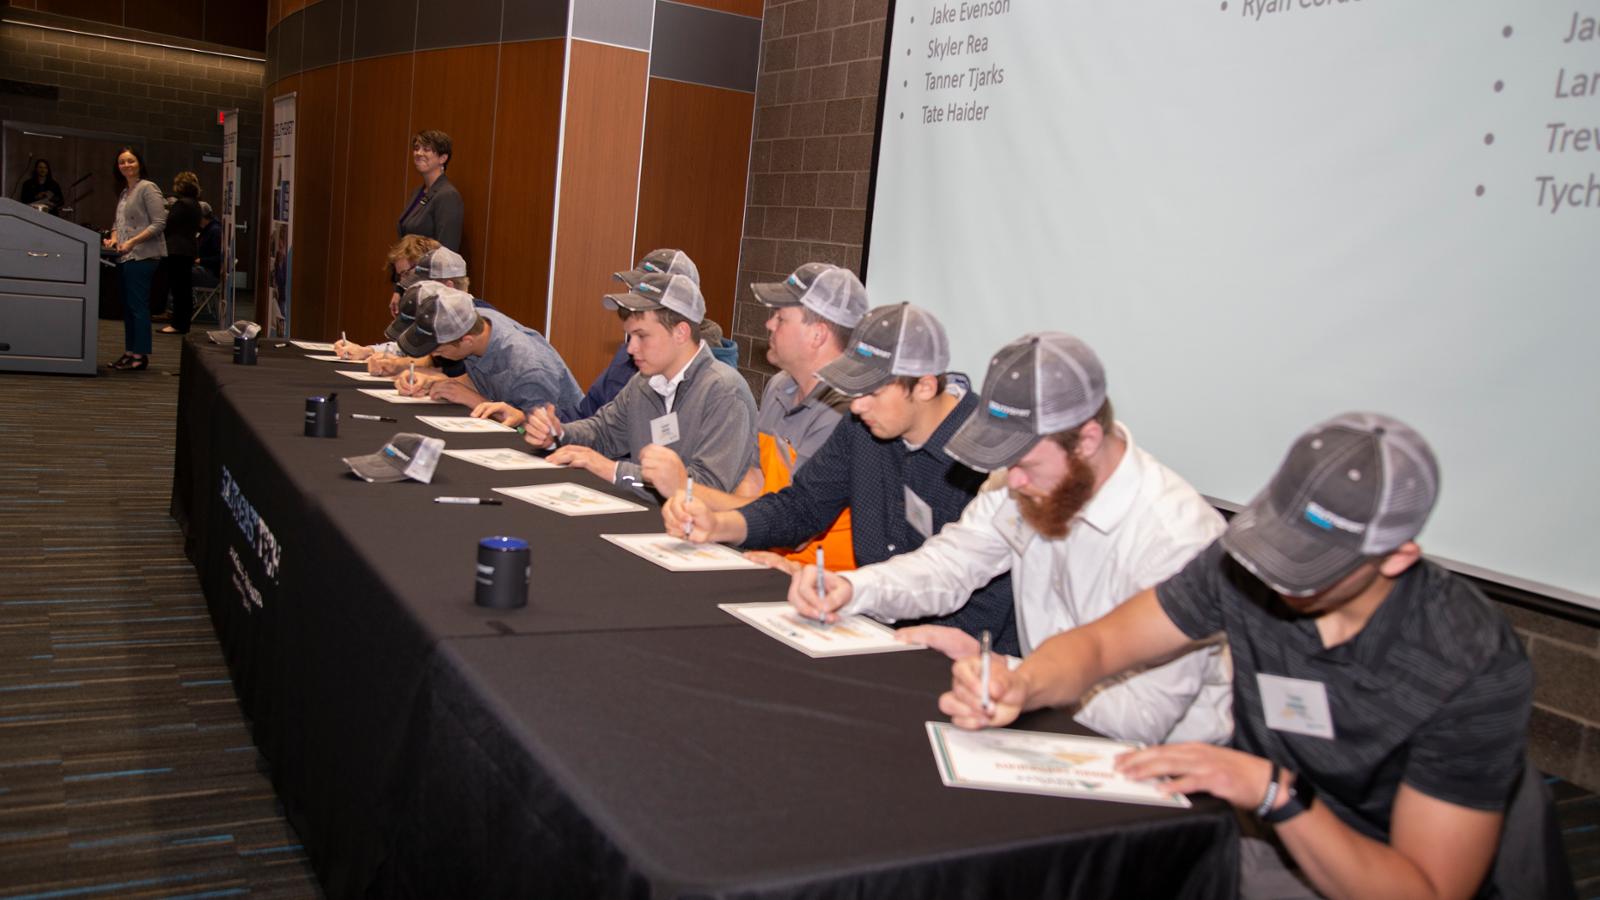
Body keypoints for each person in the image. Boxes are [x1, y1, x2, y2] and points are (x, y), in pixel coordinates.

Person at [942, 413, 1539, 899]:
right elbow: (1103, 644)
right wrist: (1026, 683)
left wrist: (1275, 791)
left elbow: (1424, 891)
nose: (1278, 576)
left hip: (1365, 865)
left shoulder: (1469, 659)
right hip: (1252, 837)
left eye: (1310, 566)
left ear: (1396, 558)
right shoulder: (1246, 567)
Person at [786, 332, 1230, 744]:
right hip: (1039, 722)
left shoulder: (1176, 538)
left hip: (1155, 775)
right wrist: (854, 589)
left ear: (1088, 440)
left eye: (1025, 465)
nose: (1010, 480)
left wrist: (1007, 673)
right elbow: (951, 562)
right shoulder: (1026, 481)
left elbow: (1142, 718)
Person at [667, 303, 1019, 652]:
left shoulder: (986, 459)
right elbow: (803, 506)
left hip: (959, 659)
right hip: (866, 626)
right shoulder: (863, 427)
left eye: (873, 392)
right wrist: (720, 525)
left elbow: (978, 594)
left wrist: (853, 599)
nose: (856, 406)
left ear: (925, 387)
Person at [658, 263, 866, 572]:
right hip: (766, 555)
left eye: (781, 318)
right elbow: (755, 479)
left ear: (818, 335)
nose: (769, 324)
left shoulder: (847, 411)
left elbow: (796, 518)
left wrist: (688, 491)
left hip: (822, 581)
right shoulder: (780, 385)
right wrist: (723, 526)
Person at [519, 272, 758, 495]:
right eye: (629, 336)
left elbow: (708, 489)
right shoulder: (644, 382)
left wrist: (614, 471)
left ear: (681, 333)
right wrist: (559, 433)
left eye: (642, 336)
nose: (631, 348)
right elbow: (603, 432)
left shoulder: (725, 392)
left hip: (702, 534)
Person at [391, 282, 582, 413]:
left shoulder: (528, 369)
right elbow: (486, 377)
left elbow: (542, 431)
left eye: (439, 350)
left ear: (467, 341)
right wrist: (435, 382)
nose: (433, 354)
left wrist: (476, 401)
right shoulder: (480, 321)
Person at [102, 147, 166, 371]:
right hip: (125, 257)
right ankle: (130, 352)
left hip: (143, 256)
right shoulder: (124, 192)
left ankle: (140, 356)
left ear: (139, 163)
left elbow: (159, 224)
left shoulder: (148, 188)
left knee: (138, 308)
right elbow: (117, 225)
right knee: (129, 308)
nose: (126, 165)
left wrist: (132, 242)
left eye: (130, 161)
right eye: (122, 162)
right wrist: (113, 238)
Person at [397, 130, 463, 251]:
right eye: (416, 148)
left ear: (442, 158)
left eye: (426, 149)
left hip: (427, 269)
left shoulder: (447, 195)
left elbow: (447, 250)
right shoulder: (417, 192)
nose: (418, 153)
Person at [159, 171, 202, 335]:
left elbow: (168, 225)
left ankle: (178, 324)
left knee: (179, 290)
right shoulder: (196, 204)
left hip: (177, 250)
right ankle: (182, 323)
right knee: (184, 289)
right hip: (188, 250)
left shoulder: (181, 204)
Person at [196, 202, 223, 284]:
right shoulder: (209, 228)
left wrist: (200, 260)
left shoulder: (214, 231)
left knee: (178, 272)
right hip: (208, 269)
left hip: (211, 273)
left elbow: (220, 257)